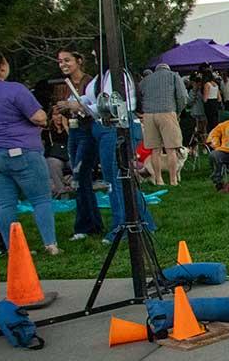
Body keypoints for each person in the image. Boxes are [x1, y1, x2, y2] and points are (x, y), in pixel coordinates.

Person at [0, 51, 59, 255]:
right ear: (1, 67)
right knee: (40, 199)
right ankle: (50, 244)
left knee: (6, 203)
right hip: (20, 150)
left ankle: (13, 249)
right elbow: (38, 117)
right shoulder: (14, 89)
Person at [82, 68, 158, 243]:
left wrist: (84, 107)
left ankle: (123, 225)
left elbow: (112, 101)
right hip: (105, 127)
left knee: (118, 178)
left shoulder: (117, 74)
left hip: (116, 126)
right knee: (118, 178)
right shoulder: (100, 75)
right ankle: (144, 222)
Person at [52, 49, 101, 239]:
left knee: (80, 175)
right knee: (79, 177)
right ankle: (91, 222)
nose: (63, 64)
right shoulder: (62, 86)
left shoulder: (90, 83)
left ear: (79, 61)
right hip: (73, 131)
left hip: (87, 131)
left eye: (67, 60)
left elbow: (94, 107)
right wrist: (60, 110)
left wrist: (75, 106)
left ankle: (85, 226)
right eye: (59, 61)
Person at [138, 63, 188, 186]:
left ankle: (159, 180)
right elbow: (182, 96)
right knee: (171, 148)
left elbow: (139, 96)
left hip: (148, 115)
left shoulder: (146, 80)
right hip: (167, 112)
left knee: (155, 150)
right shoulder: (173, 76)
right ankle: (173, 180)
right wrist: (178, 111)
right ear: (168, 69)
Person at [44, 112, 73, 197]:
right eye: (56, 114)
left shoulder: (72, 128)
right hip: (55, 156)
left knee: (77, 161)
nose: (59, 117)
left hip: (69, 155)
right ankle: (61, 191)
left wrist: (66, 126)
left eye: (61, 114)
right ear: (51, 117)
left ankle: (80, 188)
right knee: (53, 162)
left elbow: (74, 141)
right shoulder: (47, 131)